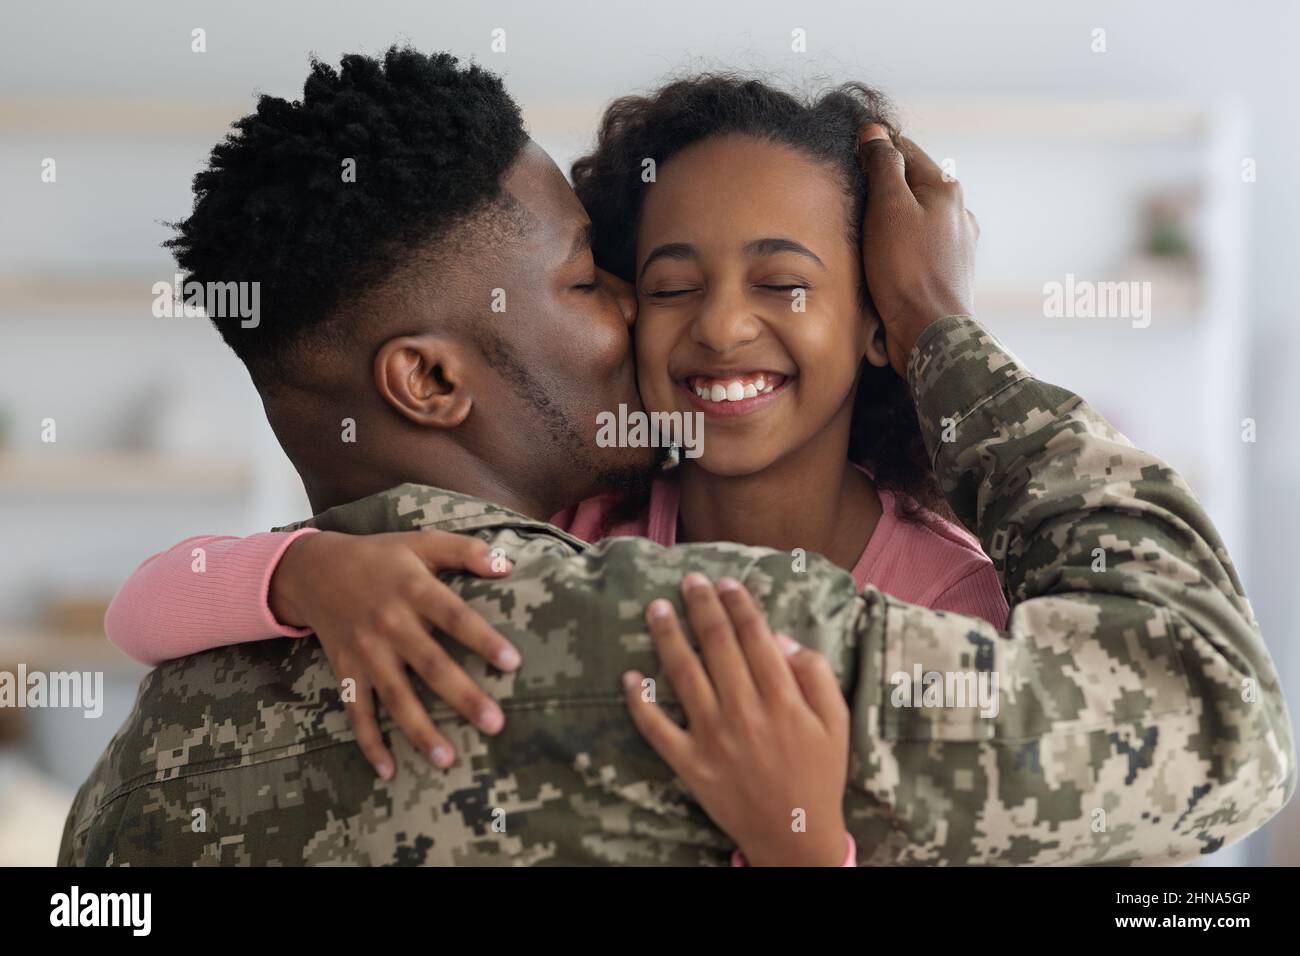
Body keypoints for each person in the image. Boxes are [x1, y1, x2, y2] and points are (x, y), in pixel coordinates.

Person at [60, 48, 1293, 866]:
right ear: (430, 378)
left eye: (784, 280)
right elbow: (1218, 719)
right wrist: (948, 339)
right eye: (607, 281)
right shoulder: (722, 646)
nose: (704, 326)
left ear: (861, 318)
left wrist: (300, 574)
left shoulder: (127, 790)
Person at [101, 75, 1009, 781]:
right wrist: (302, 571)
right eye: (668, 286)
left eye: (784, 284)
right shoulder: (570, 529)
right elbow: (141, 608)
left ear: (879, 324)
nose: (723, 326)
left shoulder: (958, 601)